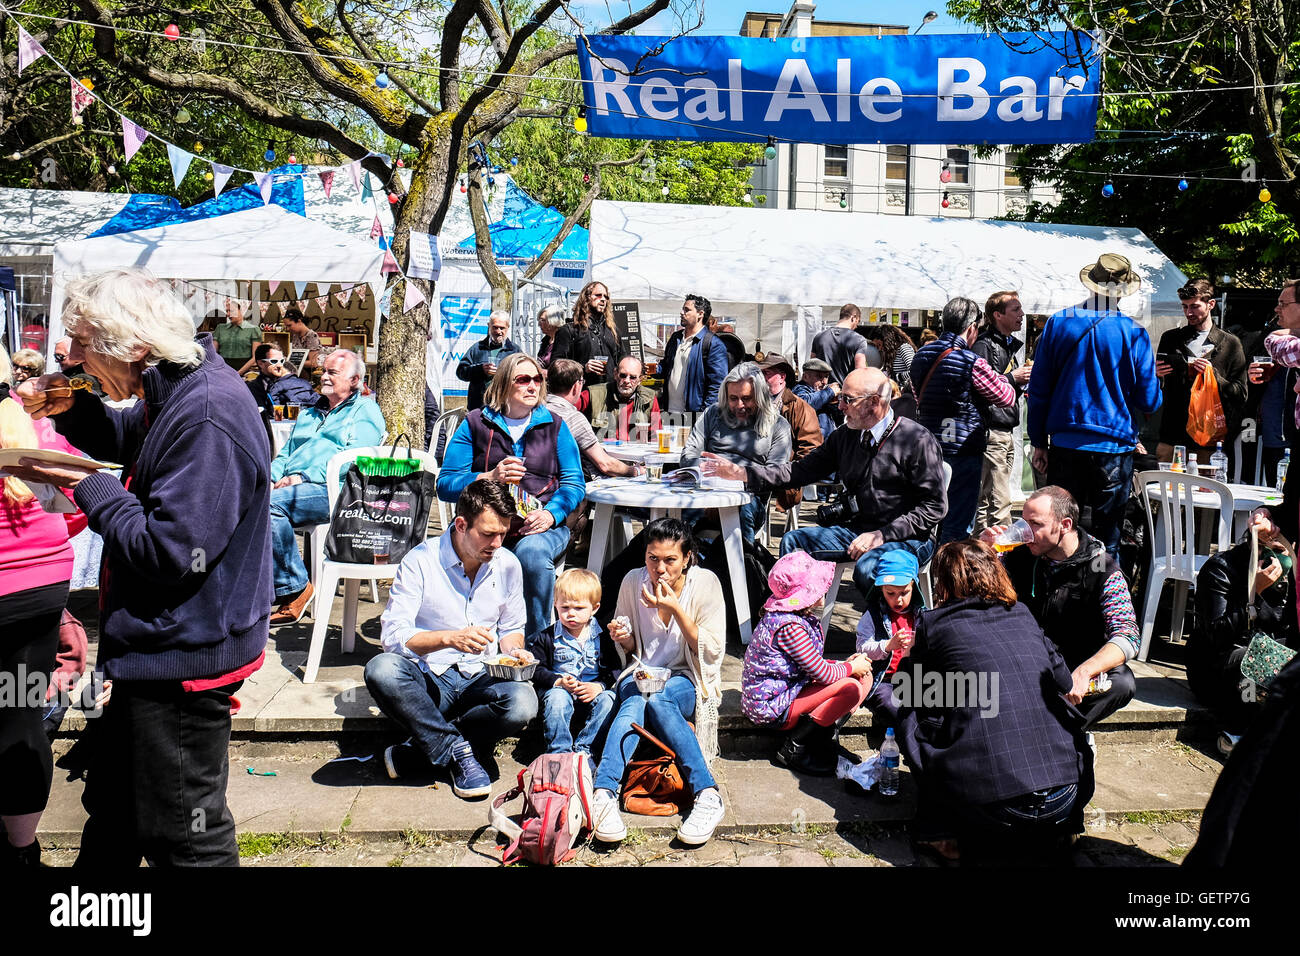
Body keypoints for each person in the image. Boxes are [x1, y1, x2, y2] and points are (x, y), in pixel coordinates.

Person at [15, 267, 271, 866]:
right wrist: (72, 407)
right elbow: (136, 437)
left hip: (183, 654)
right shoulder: (176, 383)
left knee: (185, 834)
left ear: (133, 344)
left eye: (83, 343)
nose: (70, 354)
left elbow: (170, 553)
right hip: (154, 649)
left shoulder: (208, 411)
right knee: (117, 807)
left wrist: (88, 486)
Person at [873, 540, 1092, 861]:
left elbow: (908, 690)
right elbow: (1064, 681)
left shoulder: (934, 623)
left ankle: (939, 833)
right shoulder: (1022, 613)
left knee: (909, 713)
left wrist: (913, 658)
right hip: (1067, 795)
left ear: (943, 583)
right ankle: (1061, 829)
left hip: (994, 807)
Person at [703, 367, 946, 598]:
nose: (840, 406)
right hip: (859, 529)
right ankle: (794, 621)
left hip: (909, 537)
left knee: (869, 568)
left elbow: (934, 507)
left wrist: (883, 535)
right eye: (841, 398)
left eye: (848, 400)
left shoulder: (916, 440)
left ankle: (884, 638)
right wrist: (742, 473)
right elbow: (799, 471)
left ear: (874, 402)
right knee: (793, 543)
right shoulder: (846, 436)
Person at [364, 480, 539, 799]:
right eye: (488, 533)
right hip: (431, 680)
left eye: (503, 533)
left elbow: (512, 629)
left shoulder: (508, 564)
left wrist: (516, 653)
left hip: (482, 678)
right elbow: (393, 636)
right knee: (382, 670)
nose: (498, 543)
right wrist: (449, 639)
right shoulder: (420, 561)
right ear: (461, 524)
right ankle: (460, 750)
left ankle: (426, 749)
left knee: (524, 702)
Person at [590, 518, 727, 847]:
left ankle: (707, 795)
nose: (660, 569)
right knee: (639, 697)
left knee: (658, 698)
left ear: (687, 558)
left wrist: (677, 609)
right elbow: (631, 649)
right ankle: (604, 795)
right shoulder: (631, 582)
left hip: (684, 678)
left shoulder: (705, 583)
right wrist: (622, 639)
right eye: (653, 558)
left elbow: (710, 651)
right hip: (638, 673)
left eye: (670, 560)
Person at [0, 360, 86, 867]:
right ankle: (21, 849)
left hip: (28, 582)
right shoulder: (34, 426)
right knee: (20, 714)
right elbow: (77, 498)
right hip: (38, 583)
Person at [438, 352, 585, 636]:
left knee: (530, 554)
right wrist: (488, 476)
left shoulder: (554, 425)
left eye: (537, 379)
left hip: (538, 529)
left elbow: (574, 483)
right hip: (486, 525)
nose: (533, 386)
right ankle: (461, 636)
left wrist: (550, 513)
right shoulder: (475, 423)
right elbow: (445, 485)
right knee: (453, 547)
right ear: (504, 383)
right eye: (523, 379)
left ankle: (536, 645)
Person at [1026, 253, 1162, 556]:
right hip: (1113, 449)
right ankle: (1104, 599)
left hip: (1066, 446)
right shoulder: (1135, 333)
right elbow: (1150, 400)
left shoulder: (1058, 324)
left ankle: (1060, 598)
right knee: (1107, 539)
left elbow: (1038, 391)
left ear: (1091, 286)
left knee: (1061, 534)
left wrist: (1039, 442)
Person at [979, 486, 1138, 730]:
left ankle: (1063, 733)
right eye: (1022, 521)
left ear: (1064, 525)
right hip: (1022, 663)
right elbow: (966, 594)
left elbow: (1127, 636)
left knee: (1122, 682)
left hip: (1071, 669)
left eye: (1035, 524)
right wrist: (981, 554)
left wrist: (1084, 673)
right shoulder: (1016, 556)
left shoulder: (1103, 570)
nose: (1025, 532)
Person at [267, 349, 386, 625]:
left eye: (333, 372)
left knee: (271, 506)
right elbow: (286, 454)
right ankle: (262, 590)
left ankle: (295, 588)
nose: (324, 376)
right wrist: (270, 479)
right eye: (324, 371)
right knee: (247, 500)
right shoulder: (311, 412)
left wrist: (303, 478)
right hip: (295, 487)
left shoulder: (365, 411)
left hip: (338, 491)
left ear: (355, 379)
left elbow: (356, 459)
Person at [741, 552, 873, 776]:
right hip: (773, 704)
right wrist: (849, 668)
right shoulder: (789, 626)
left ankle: (823, 738)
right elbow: (822, 674)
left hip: (793, 689)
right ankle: (794, 746)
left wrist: (848, 665)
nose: (823, 588)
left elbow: (813, 664)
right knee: (850, 687)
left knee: (865, 676)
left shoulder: (794, 616)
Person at [911, 296, 1016, 543]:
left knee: (926, 516)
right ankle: (949, 575)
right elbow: (1005, 397)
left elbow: (917, 396)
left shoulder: (921, 355)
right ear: (971, 328)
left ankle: (922, 573)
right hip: (963, 449)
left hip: (926, 447)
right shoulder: (971, 361)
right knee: (957, 521)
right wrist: (1011, 379)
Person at [1189, 516, 1296, 755]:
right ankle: (1234, 735)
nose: (1282, 558)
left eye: (1286, 549)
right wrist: (1253, 594)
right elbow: (1216, 636)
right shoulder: (1220, 568)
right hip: (1219, 663)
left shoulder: (1291, 575)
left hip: (1266, 655)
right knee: (1258, 660)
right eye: (1275, 549)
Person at [680, 362, 792, 543]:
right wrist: (714, 482)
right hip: (706, 491)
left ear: (760, 396)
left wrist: (734, 479)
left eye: (747, 398)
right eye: (733, 398)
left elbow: (776, 474)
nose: (740, 405)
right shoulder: (713, 414)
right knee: (676, 513)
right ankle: (681, 561)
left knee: (740, 510)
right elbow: (688, 455)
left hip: (749, 497)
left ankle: (743, 565)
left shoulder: (778, 425)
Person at [1153, 279, 1248, 463]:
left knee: (1205, 490)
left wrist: (1214, 377)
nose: (1189, 312)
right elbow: (1156, 389)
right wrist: (1156, 376)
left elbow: (1241, 394)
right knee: (1162, 490)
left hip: (1208, 440)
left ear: (1211, 304)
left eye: (1195, 306)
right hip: (1172, 436)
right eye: (1184, 307)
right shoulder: (1170, 338)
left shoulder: (1230, 343)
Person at [526, 568, 618, 756]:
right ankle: (559, 751)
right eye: (565, 608)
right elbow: (536, 669)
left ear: (595, 608)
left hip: (590, 692)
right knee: (557, 697)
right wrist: (557, 681)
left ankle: (585, 750)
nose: (571, 614)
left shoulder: (602, 637)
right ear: (555, 605)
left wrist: (599, 686)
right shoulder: (547, 637)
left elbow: (614, 669)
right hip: (561, 693)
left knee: (609, 699)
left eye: (579, 608)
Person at [971, 291, 1033, 534]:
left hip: (1003, 428)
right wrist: (1012, 378)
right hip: (991, 430)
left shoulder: (1004, 345)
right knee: (999, 500)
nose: (1022, 315)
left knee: (989, 497)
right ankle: (1003, 556)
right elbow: (978, 385)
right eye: (1015, 310)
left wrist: (1021, 381)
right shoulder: (984, 345)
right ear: (997, 315)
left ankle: (982, 553)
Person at [545, 359, 642, 479]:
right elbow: (605, 465)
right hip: (587, 484)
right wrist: (636, 470)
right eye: (582, 381)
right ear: (576, 386)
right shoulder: (574, 418)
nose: (627, 380)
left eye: (632, 377)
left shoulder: (535, 411)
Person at [855, 549, 925, 709]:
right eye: (890, 593)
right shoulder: (873, 615)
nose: (897, 599)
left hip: (914, 678)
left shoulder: (921, 615)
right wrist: (887, 646)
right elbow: (861, 649)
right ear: (881, 589)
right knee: (892, 704)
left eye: (904, 592)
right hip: (884, 680)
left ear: (914, 586)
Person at [758, 353, 822, 512]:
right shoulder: (752, 402)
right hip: (753, 473)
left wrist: (791, 475)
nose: (761, 377)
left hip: (782, 475)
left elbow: (811, 448)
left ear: (782, 377)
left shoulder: (799, 407)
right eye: (760, 373)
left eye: (767, 373)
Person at [550, 281, 623, 413]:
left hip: (609, 398)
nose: (603, 300)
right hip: (581, 398)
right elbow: (556, 366)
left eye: (606, 297)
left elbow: (622, 359)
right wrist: (583, 368)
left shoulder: (613, 331)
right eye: (598, 295)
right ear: (586, 297)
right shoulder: (569, 330)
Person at [659, 293, 729, 418]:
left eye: (687, 310)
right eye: (682, 309)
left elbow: (718, 385)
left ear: (700, 314)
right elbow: (666, 367)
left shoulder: (713, 344)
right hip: (669, 412)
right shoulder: (676, 338)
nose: (681, 312)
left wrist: (704, 414)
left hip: (694, 416)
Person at [456, 310, 521, 412]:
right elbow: (461, 372)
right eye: (495, 327)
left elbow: (522, 377)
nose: (498, 331)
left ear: (508, 327)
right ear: (489, 326)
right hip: (479, 407)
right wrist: (480, 369)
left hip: (505, 408)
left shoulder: (514, 351)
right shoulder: (477, 348)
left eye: (502, 328)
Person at [811, 304, 880, 385]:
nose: (857, 326)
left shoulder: (819, 337)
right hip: (844, 392)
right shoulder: (859, 340)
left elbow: (812, 365)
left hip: (821, 391)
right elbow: (860, 370)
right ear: (853, 317)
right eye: (858, 321)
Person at [603, 354, 662, 441]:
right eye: (623, 375)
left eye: (633, 377)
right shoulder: (595, 394)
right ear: (615, 374)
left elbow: (655, 437)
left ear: (640, 380)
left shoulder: (650, 398)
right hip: (603, 452)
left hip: (636, 453)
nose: (627, 381)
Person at [250, 343, 317, 414]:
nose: (279, 365)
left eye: (282, 361)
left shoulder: (293, 382)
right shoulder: (253, 387)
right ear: (260, 363)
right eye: (274, 361)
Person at [792, 357, 839, 439]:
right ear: (806, 377)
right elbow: (803, 403)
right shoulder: (800, 389)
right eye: (819, 377)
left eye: (826, 377)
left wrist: (834, 403)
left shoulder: (821, 393)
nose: (824, 382)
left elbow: (838, 418)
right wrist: (829, 392)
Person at [865, 323, 917, 396]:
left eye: (879, 345)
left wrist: (896, 377)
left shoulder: (904, 348)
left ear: (887, 340)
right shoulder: (890, 354)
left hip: (905, 394)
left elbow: (914, 372)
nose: (879, 348)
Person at [212, 297, 261, 375]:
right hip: (222, 370)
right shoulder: (220, 328)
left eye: (231, 311)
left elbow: (255, 357)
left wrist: (238, 373)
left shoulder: (253, 329)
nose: (228, 314)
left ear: (241, 310)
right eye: (227, 311)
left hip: (244, 371)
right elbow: (213, 353)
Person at [281, 308, 322, 374]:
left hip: (311, 375)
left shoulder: (311, 336)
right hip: (298, 373)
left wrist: (291, 363)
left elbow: (313, 363)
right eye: (286, 326)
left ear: (299, 321)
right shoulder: (295, 335)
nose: (288, 329)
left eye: (289, 325)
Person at [536, 304, 565, 368]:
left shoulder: (564, 341)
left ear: (554, 320)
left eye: (543, 320)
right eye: (539, 320)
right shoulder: (545, 341)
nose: (539, 324)